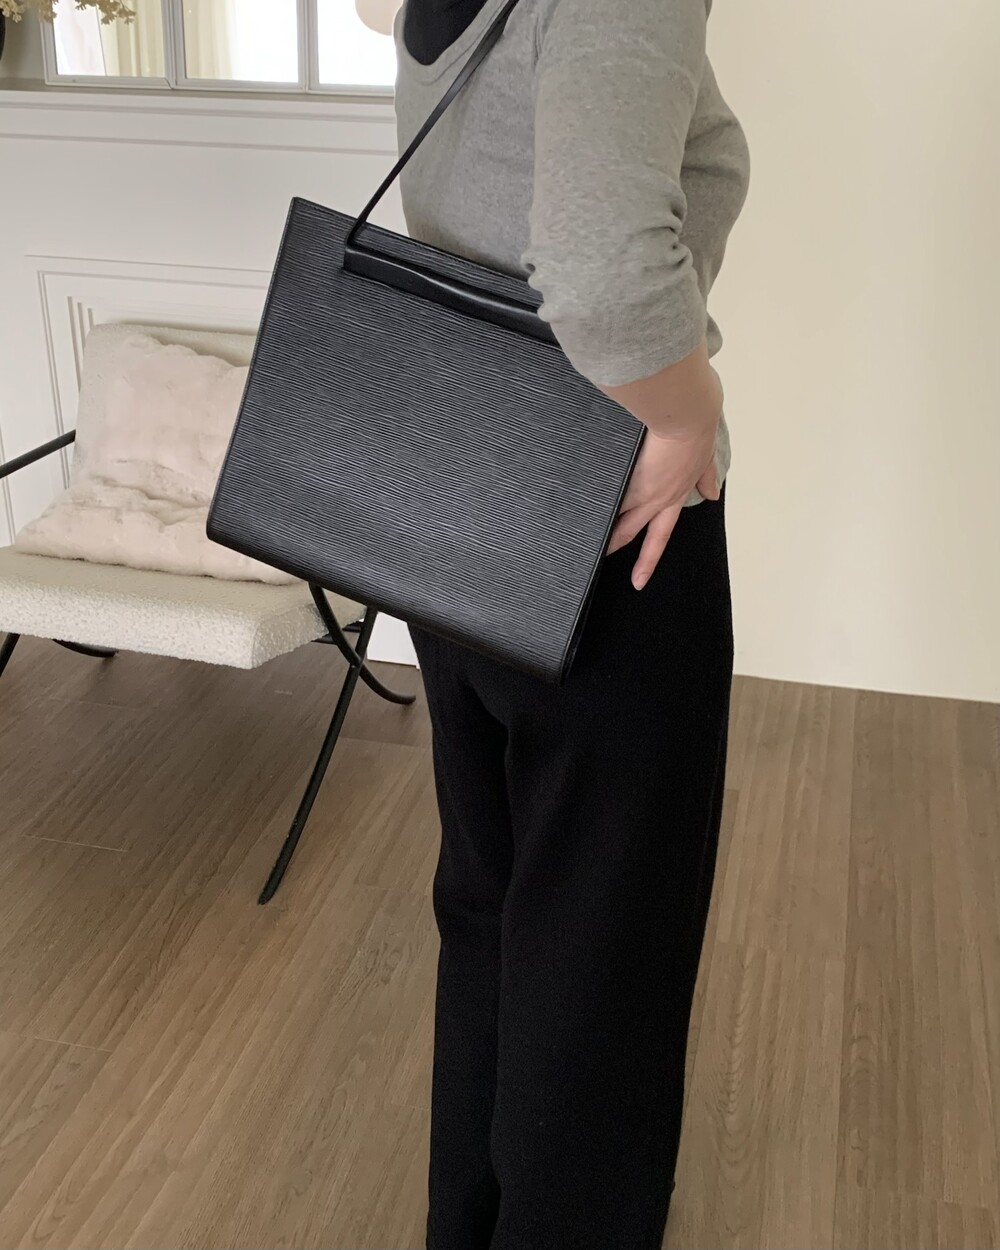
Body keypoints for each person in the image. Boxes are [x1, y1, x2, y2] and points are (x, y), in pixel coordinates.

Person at [394, 1, 750, 1246]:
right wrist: (687, 414)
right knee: (604, 949)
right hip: (600, 505)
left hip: (454, 475)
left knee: (493, 907)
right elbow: (600, 269)